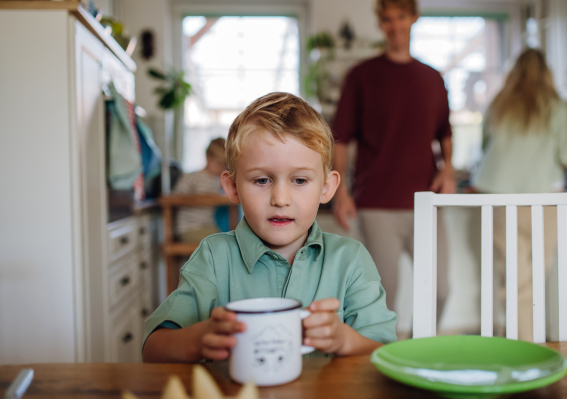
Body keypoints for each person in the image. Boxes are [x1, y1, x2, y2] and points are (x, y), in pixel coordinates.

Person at [142, 92, 398, 362]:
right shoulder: (214, 257)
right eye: (262, 180)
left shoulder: (351, 259)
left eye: (299, 180)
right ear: (232, 187)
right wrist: (197, 340)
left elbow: (384, 353)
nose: (280, 199)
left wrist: (344, 340)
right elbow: (153, 349)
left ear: (326, 188)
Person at [331, 0, 453, 319]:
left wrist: (448, 168)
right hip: (376, 203)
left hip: (426, 201)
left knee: (439, 290)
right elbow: (340, 137)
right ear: (380, 24)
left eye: (401, 17)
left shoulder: (433, 78)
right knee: (384, 297)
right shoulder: (361, 76)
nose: (395, 26)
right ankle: (382, 362)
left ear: (413, 18)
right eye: (387, 19)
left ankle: (420, 354)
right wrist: (340, 190)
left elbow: (445, 132)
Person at [472, 48, 567, 341]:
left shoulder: (500, 102)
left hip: (499, 197)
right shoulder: (555, 105)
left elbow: (484, 146)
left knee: (514, 277)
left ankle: (518, 340)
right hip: (543, 199)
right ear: (547, 72)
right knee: (530, 279)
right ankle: (527, 345)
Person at [172, 138, 228, 243]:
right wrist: (201, 198)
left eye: (225, 164)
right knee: (221, 243)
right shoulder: (193, 177)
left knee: (227, 240)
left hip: (209, 226)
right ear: (208, 158)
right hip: (189, 228)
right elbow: (174, 197)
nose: (222, 168)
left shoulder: (219, 180)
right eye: (219, 163)